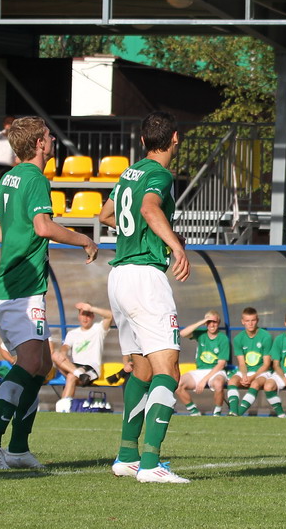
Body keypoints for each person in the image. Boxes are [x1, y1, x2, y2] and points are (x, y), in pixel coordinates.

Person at [0, 116, 98, 470]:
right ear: (39, 144)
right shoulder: (36, 178)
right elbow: (44, 226)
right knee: (28, 364)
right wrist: (84, 238)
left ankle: (19, 447)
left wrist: (11, 241)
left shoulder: (11, 177)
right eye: (48, 135)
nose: (52, 139)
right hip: (21, 290)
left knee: (41, 365)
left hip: (21, 287)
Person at [99, 110, 191, 483]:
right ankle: (151, 465)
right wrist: (176, 246)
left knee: (141, 368)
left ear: (141, 141)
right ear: (175, 139)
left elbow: (107, 214)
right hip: (144, 276)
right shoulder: (159, 174)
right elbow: (149, 207)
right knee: (168, 369)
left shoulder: (129, 172)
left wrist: (135, 232)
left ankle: (126, 456)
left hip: (118, 275)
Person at [53, 301, 115, 413]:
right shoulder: (72, 333)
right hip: (74, 367)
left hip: (90, 368)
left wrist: (91, 308)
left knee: (71, 377)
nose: (85, 318)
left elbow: (110, 315)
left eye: (88, 314)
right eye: (83, 314)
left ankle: (62, 411)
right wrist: (62, 353)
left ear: (92, 316)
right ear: (79, 316)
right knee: (55, 355)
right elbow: (65, 347)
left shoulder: (98, 329)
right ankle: (79, 374)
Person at [176, 310, 230, 417]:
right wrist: (202, 322)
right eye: (209, 322)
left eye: (214, 322)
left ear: (218, 322)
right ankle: (194, 412)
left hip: (216, 371)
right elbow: (182, 333)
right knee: (178, 384)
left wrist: (204, 380)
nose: (212, 324)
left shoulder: (223, 338)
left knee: (219, 384)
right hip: (199, 371)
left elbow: (221, 364)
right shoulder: (201, 334)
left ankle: (217, 413)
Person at [227, 307, 273, 416]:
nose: (250, 324)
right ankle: (233, 411)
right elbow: (242, 363)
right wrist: (244, 375)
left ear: (257, 320)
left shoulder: (266, 336)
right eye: (247, 321)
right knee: (232, 381)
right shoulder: (238, 339)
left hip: (261, 371)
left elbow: (266, 364)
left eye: (253, 320)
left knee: (255, 383)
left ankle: (238, 414)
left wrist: (252, 378)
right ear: (242, 322)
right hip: (246, 371)